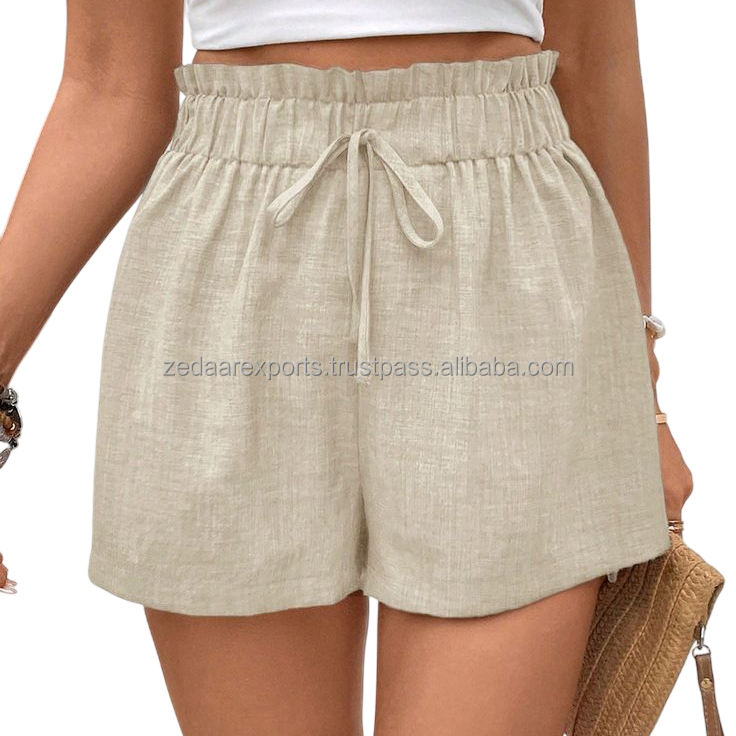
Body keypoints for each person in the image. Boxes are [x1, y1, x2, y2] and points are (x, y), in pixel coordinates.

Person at [0, 1, 694, 734]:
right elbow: (110, 89)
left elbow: (593, 68)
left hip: (504, 257)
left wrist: (642, 396)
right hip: (233, 251)